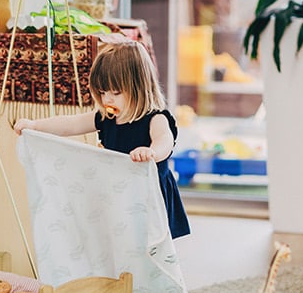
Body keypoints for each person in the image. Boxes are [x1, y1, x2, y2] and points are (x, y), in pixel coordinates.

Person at [14, 41, 190, 239]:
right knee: (118, 243)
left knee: (150, 246)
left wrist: (152, 152)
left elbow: (164, 141)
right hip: (118, 193)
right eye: (102, 92)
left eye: (115, 93)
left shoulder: (155, 118)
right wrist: (36, 126)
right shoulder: (107, 118)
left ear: (139, 87)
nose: (107, 99)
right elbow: (70, 124)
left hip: (148, 196)